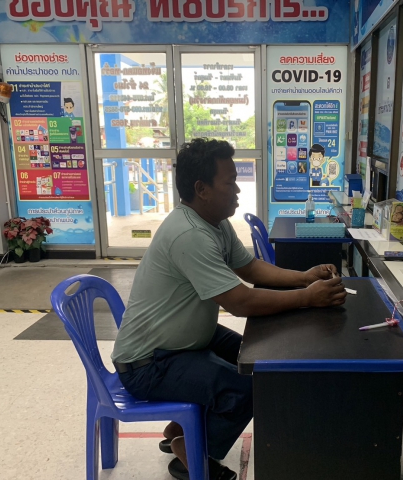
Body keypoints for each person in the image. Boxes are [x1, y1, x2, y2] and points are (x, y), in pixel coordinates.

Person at [111, 138, 347, 480]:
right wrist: (307, 297)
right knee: (246, 390)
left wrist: (303, 278)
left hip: (183, 342)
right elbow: (240, 301)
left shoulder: (214, 221)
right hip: (148, 363)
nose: (237, 190)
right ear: (201, 189)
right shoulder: (190, 234)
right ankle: (193, 449)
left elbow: (249, 268)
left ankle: (183, 425)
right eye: (230, 182)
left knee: (257, 358)